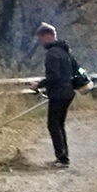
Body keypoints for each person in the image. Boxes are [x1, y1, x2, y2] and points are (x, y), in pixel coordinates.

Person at [29, 22, 76, 167]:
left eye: (41, 39)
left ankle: (62, 158)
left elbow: (54, 76)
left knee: (53, 124)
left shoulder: (52, 53)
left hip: (59, 93)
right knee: (59, 124)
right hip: (69, 92)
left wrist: (39, 84)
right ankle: (63, 155)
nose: (40, 42)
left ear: (48, 36)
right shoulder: (65, 51)